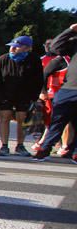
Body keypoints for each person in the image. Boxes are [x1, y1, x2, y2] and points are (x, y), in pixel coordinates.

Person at [0, 35, 43, 156]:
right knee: (5, 117)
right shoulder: (2, 59)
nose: (12, 49)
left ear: (27, 48)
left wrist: (34, 97)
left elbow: (38, 80)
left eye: (16, 47)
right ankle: (4, 146)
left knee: (22, 119)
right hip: (5, 94)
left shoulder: (34, 60)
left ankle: (20, 145)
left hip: (24, 95)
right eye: (11, 46)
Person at [32, 24, 77, 163]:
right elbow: (55, 47)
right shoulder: (75, 45)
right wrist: (70, 30)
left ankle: (73, 152)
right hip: (68, 90)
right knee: (57, 122)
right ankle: (44, 150)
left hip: (68, 90)